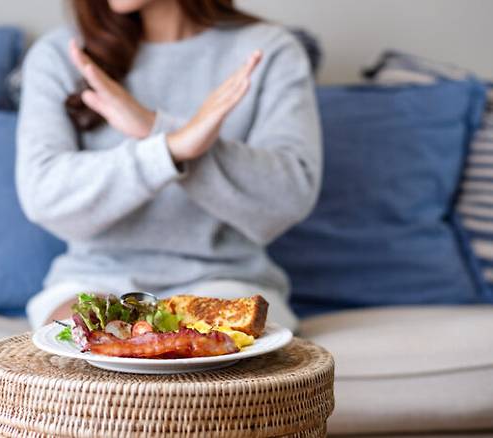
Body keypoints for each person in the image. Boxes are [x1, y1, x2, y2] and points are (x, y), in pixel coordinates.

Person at [16, 0, 322, 331]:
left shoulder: (269, 50)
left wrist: (153, 127)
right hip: (90, 280)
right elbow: (43, 195)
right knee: (74, 348)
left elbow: (289, 197)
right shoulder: (60, 54)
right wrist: (168, 147)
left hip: (227, 280)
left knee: (203, 365)